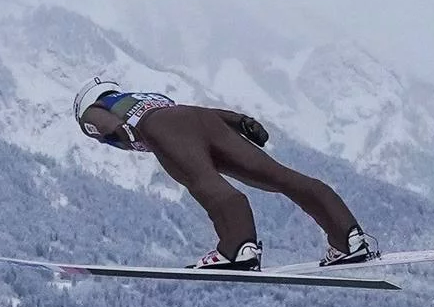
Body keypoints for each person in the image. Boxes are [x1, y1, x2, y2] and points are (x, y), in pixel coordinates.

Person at [70, 76, 377, 270]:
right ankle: (348, 238)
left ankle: (237, 247)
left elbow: (97, 120)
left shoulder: (94, 110)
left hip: (161, 129)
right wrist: (240, 122)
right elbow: (194, 114)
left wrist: (116, 130)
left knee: (203, 181)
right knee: (278, 175)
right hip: (201, 121)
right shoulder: (144, 96)